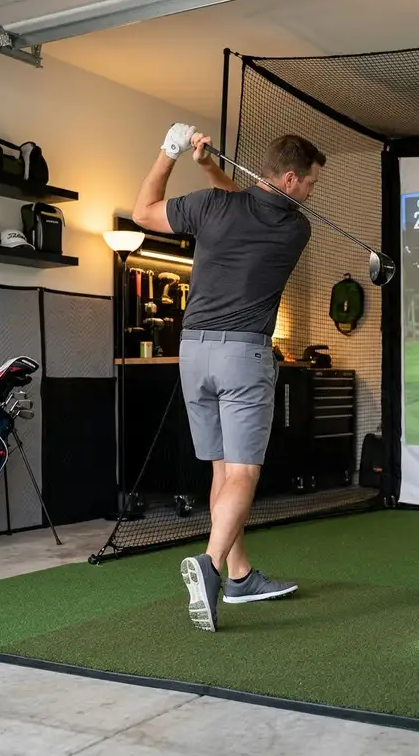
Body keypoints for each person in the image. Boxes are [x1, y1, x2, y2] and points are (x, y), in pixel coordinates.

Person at [132, 123, 326, 632]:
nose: (311, 192)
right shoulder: (295, 228)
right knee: (243, 475)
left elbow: (144, 212)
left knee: (222, 472)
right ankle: (211, 566)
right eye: (310, 183)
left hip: (192, 352)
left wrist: (171, 153)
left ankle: (238, 577)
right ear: (290, 178)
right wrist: (211, 169)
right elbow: (251, 205)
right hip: (243, 358)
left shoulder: (212, 207)